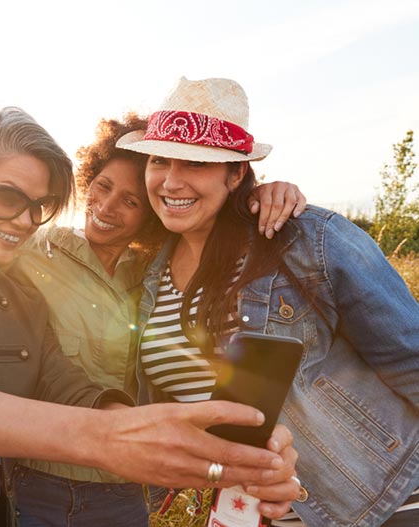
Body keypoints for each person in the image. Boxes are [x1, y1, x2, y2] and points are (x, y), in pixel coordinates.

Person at [0, 110, 306, 525]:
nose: (25, 222)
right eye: (8, 199)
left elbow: (64, 382)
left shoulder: (25, 294)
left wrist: (172, 439)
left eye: (40, 207)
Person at [115, 76, 419, 527]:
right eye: (160, 159)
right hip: (248, 514)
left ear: (236, 173)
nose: (172, 180)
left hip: (380, 500)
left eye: (196, 163)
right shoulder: (146, 273)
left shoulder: (308, 239)